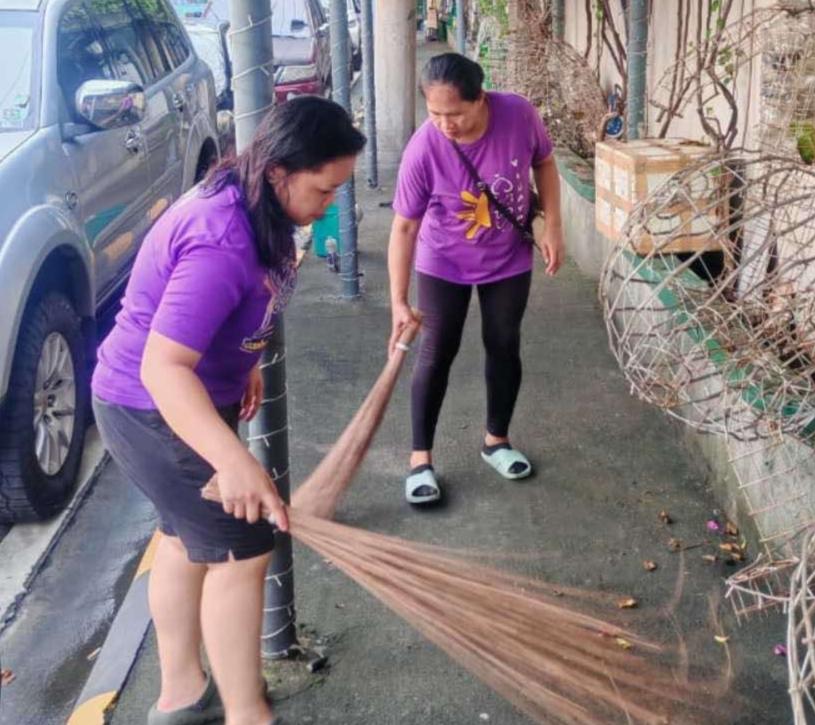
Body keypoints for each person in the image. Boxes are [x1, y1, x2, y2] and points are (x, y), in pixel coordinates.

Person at [92, 97, 365, 725]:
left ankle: (183, 698)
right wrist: (236, 461)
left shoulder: (254, 204)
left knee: (184, 541)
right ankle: (247, 714)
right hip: (153, 406)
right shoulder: (221, 237)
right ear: (278, 172)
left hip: (181, 399)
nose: (331, 205)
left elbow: (228, 308)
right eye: (324, 190)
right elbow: (163, 368)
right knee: (243, 551)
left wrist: (241, 361)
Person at [388, 53, 564, 506]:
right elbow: (404, 227)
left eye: (456, 113)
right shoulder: (424, 147)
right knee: (436, 352)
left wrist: (554, 227)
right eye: (434, 113)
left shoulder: (518, 114)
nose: (445, 124)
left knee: (504, 343)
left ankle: (496, 442)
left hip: (508, 256)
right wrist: (397, 300)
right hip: (442, 261)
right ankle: (420, 460)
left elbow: (544, 162)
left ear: (481, 98)